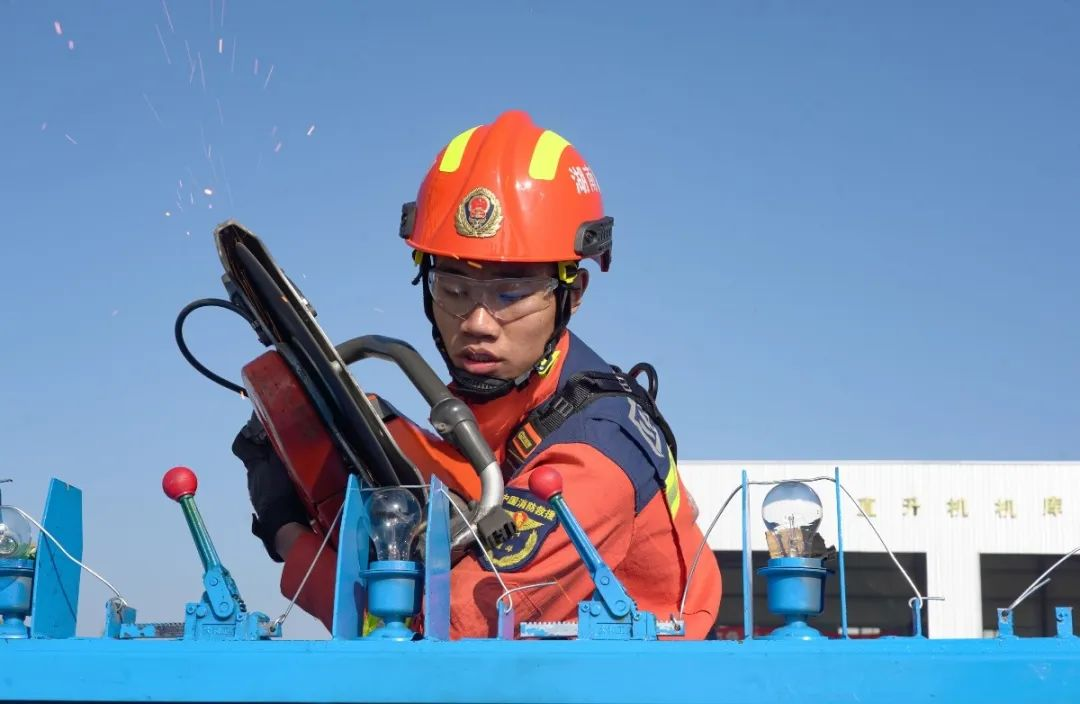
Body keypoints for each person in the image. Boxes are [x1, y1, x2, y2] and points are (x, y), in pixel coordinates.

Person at [232, 110, 722, 639]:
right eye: (454, 289)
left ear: (572, 294)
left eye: (511, 294)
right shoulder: (503, 405)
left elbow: (433, 632)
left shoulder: (594, 458)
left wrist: (287, 533)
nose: (477, 323)